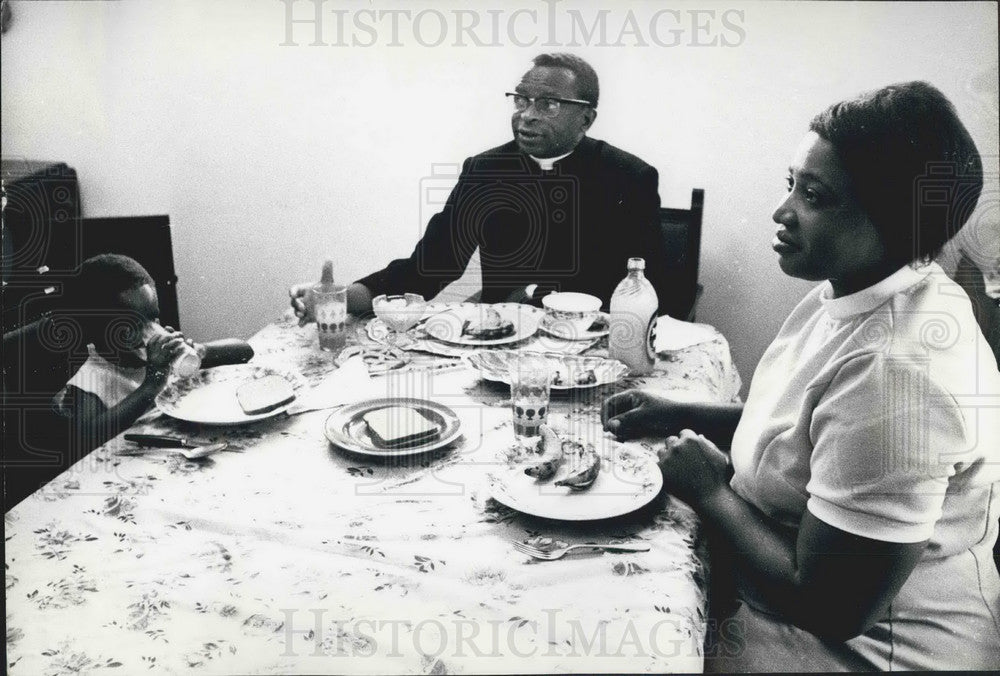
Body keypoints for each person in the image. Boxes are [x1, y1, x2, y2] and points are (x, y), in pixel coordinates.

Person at [602, 82, 1000, 670]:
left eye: (813, 195)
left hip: (861, 651)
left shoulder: (898, 373)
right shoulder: (854, 288)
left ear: (890, 218)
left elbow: (832, 607)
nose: (782, 210)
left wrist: (711, 490)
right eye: (791, 184)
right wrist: (680, 411)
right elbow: (807, 430)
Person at [291, 53, 686, 319]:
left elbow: (647, 290)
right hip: (504, 342)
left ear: (586, 119)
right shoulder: (485, 170)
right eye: (520, 100)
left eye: (547, 104)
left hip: (591, 343)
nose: (526, 116)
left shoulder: (629, 177)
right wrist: (343, 298)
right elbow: (430, 266)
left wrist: (535, 296)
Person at [2, 254, 253, 509]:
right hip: (130, 486)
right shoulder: (93, 377)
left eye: (153, 318)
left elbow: (244, 350)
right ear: (97, 330)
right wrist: (152, 383)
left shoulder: (159, 357)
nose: (151, 331)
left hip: (179, 464)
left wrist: (201, 350)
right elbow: (85, 439)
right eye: (133, 325)